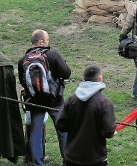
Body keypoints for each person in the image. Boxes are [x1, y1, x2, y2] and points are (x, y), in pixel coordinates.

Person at [18, 30, 71, 166]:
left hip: (35, 101)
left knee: (36, 131)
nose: (48, 42)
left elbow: (23, 82)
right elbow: (66, 73)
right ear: (41, 41)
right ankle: (68, 159)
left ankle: (37, 163)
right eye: (47, 40)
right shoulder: (52, 55)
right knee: (63, 129)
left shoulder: (23, 60)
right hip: (55, 99)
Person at [56, 65, 116, 166]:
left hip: (72, 156)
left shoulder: (71, 99)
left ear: (84, 78)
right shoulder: (104, 103)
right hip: (95, 158)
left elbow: (60, 124)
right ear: (100, 78)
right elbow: (108, 131)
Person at [0, 51, 25, 163]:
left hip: (3, 70)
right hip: (6, 67)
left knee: (6, 112)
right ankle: (9, 149)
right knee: (7, 113)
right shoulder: (5, 59)